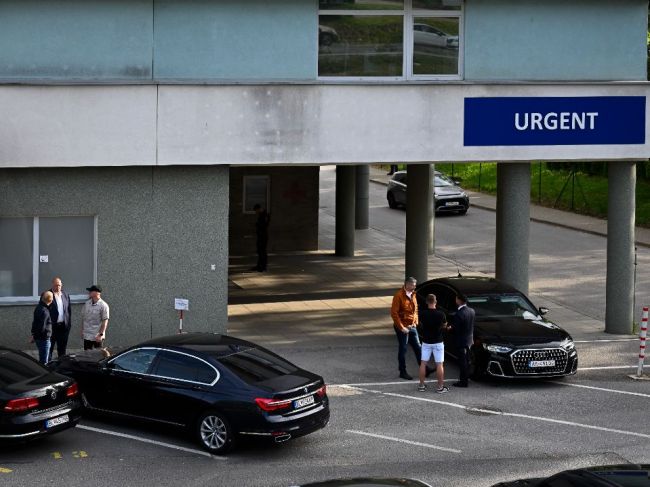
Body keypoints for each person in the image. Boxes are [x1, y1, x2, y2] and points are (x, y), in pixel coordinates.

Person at [390, 277, 422, 380]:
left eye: (415, 285)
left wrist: (416, 321)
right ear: (407, 285)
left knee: (418, 347)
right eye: (413, 285)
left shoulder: (413, 294)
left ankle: (423, 368)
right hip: (403, 327)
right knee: (403, 349)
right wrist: (401, 327)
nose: (414, 287)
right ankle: (402, 371)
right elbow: (394, 314)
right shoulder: (398, 296)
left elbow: (415, 309)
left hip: (412, 326)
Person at [417, 294, 450, 393]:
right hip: (438, 342)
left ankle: (421, 386)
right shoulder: (441, 314)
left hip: (426, 341)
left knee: (423, 363)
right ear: (435, 302)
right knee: (439, 364)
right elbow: (444, 325)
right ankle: (440, 387)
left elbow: (419, 324)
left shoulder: (422, 314)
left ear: (427, 302)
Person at [451, 293, 475, 388]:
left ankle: (463, 381)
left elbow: (456, 329)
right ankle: (467, 378)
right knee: (467, 360)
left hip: (461, 341)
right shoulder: (472, 311)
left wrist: (450, 328)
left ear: (459, 301)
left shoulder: (459, 314)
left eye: (456, 299)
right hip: (469, 340)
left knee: (462, 362)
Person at [48, 277, 72, 360]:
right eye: (56, 285)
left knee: (62, 349)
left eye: (59, 285)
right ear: (52, 285)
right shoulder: (47, 294)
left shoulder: (65, 295)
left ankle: (61, 365)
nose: (58, 287)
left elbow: (69, 311)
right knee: (49, 348)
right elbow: (44, 311)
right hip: (52, 327)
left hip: (63, 327)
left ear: (61, 285)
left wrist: (68, 325)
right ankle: (47, 366)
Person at [81, 285, 110, 351]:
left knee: (98, 355)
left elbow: (105, 321)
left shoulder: (103, 305)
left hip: (97, 336)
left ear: (97, 293)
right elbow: (84, 318)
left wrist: (100, 334)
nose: (89, 292)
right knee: (87, 355)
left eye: (91, 291)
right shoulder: (87, 303)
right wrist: (82, 330)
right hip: (87, 335)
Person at [31, 291, 53, 364]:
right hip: (43, 339)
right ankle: (44, 373)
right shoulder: (45, 311)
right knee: (44, 361)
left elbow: (34, 323)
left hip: (38, 338)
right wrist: (36, 336)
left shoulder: (38, 307)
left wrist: (33, 335)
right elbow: (42, 327)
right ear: (50, 300)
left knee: (43, 357)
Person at [252, 203, 270, 272]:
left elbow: (264, 225)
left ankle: (263, 267)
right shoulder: (262, 215)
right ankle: (259, 265)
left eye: (256, 210)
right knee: (260, 251)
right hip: (260, 236)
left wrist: (257, 225)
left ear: (258, 209)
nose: (255, 212)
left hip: (263, 236)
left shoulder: (264, 215)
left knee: (262, 251)